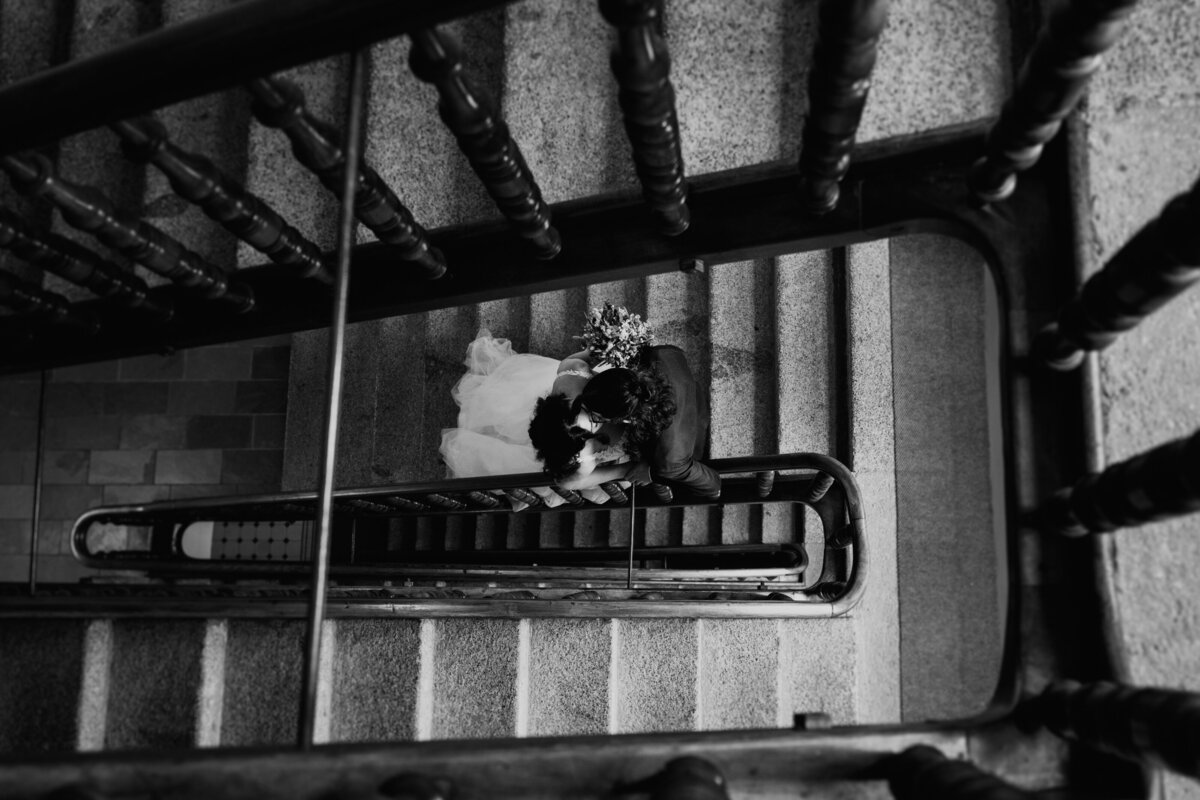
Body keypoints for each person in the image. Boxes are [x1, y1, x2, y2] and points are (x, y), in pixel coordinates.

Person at [438, 330, 622, 506]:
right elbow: (569, 481)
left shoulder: (575, 371)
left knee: (509, 422)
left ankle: (486, 426)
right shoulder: (581, 447)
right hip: (555, 435)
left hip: (548, 415)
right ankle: (487, 430)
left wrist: (597, 348)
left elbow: (574, 360)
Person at [570, 345, 721, 498]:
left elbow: (713, 486)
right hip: (688, 390)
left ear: (627, 420)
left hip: (692, 435)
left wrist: (651, 473)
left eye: (598, 417)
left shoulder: (670, 461)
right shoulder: (660, 355)